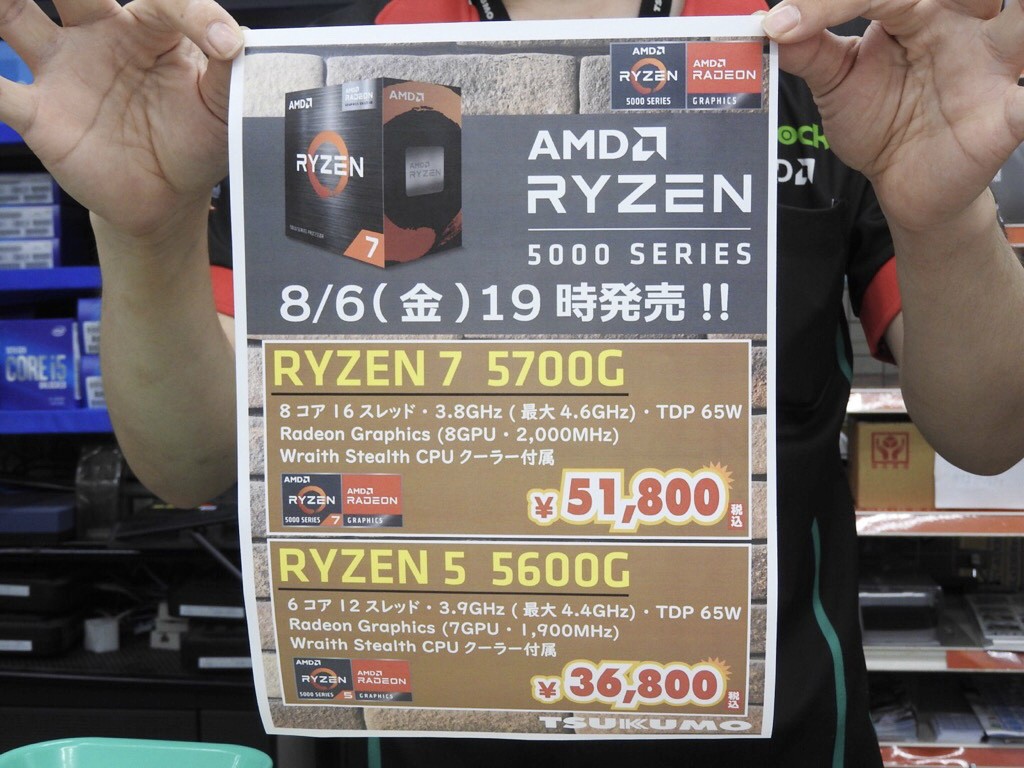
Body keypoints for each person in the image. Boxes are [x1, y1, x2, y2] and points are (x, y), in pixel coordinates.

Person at [2, 0, 1022, 764]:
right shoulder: (326, 59)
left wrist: (945, 213)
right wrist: (145, 233)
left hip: (776, 734)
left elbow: (988, 434)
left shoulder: (816, 51)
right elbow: (189, 462)